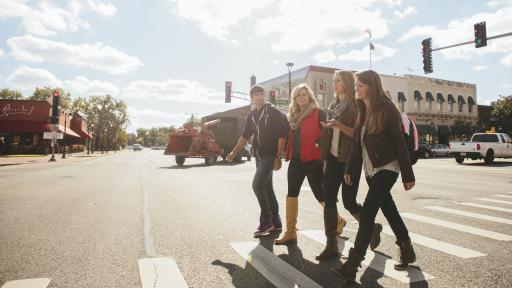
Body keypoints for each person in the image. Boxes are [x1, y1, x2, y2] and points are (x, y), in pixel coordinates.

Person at [332, 70, 417, 283]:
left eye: (360, 85)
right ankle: (407, 249)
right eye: (356, 85)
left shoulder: (386, 108)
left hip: (388, 167)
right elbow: (357, 145)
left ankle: (352, 265)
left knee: (368, 213)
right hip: (371, 170)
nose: (356, 89)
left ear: (372, 86)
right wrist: (350, 170)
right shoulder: (362, 108)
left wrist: (408, 174)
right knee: (389, 210)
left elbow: (399, 142)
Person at [316, 70, 383, 260]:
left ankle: (372, 227)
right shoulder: (333, 105)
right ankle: (331, 245)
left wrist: (337, 125)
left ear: (346, 82)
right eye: (333, 81)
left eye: (338, 81)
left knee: (349, 201)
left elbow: (357, 134)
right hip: (332, 158)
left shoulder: (356, 106)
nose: (334, 84)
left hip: (349, 160)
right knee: (329, 200)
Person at [275, 83, 346, 245]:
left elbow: (327, 135)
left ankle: (338, 220)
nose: (301, 98)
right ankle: (290, 232)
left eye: (304, 95)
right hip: (296, 159)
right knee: (291, 192)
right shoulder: (293, 116)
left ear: (309, 97)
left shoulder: (318, 113)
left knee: (319, 194)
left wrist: (323, 153)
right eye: (298, 95)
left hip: (314, 159)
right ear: (294, 98)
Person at [227, 85, 287, 237]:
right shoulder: (252, 115)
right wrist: (234, 152)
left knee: (257, 185)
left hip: (270, 155)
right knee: (267, 189)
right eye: (256, 95)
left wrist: (278, 157)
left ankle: (266, 221)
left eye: (261, 94)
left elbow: (282, 135)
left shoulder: (273, 112)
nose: (259, 97)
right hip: (259, 156)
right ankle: (276, 222)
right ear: (252, 98)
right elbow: (245, 136)